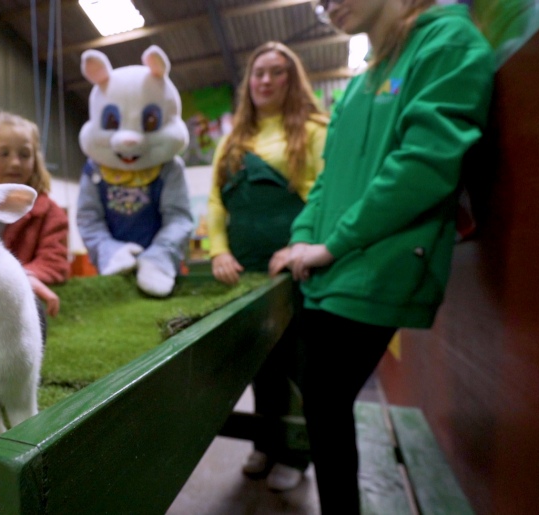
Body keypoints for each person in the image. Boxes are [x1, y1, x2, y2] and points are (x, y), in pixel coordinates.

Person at [271, 1, 495, 512]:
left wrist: (330, 245)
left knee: (325, 401)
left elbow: (423, 166)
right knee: (322, 403)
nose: (327, 4)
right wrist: (302, 236)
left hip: (376, 267)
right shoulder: (358, 82)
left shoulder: (448, 44)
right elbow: (328, 178)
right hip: (331, 268)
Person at [207, 41, 328, 491]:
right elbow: (216, 204)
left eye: (277, 72)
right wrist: (219, 250)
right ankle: (266, 442)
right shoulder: (232, 140)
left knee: (299, 360)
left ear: (292, 79)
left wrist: (301, 244)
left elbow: (326, 192)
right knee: (261, 360)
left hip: (299, 268)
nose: (266, 80)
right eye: (258, 72)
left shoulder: (315, 129)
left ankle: (297, 454)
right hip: (246, 271)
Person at [0, 112, 70, 317]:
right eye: (3, 153)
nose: (15, 163)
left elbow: (55, 261)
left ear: (35, 160)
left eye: (24, 154)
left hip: (20, 310)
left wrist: (22, 277)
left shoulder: (50, 213)